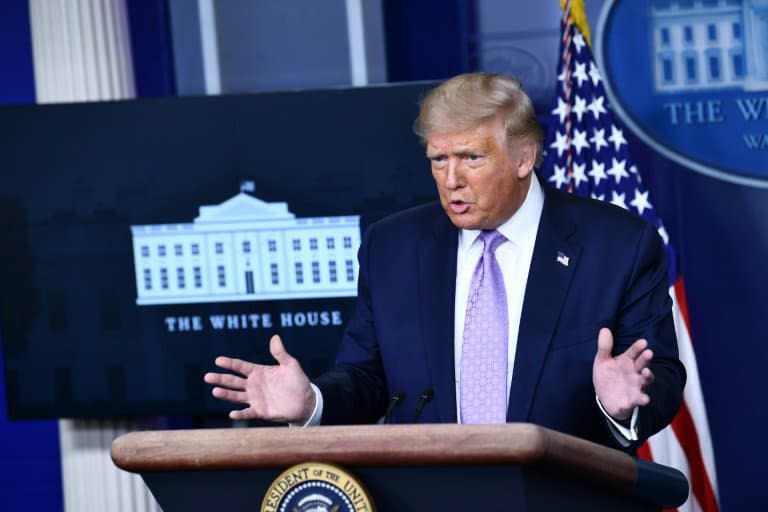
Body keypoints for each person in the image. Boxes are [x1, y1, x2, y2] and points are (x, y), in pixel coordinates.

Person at [204, 72, 685, 450]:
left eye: (471, 158)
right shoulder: (392, 246)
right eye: (438, 160)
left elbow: (658, 375)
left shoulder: (616, 245)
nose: (451, 180)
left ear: (524, 158)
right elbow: (366, 377)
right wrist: (313, 402)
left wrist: (623, 403)